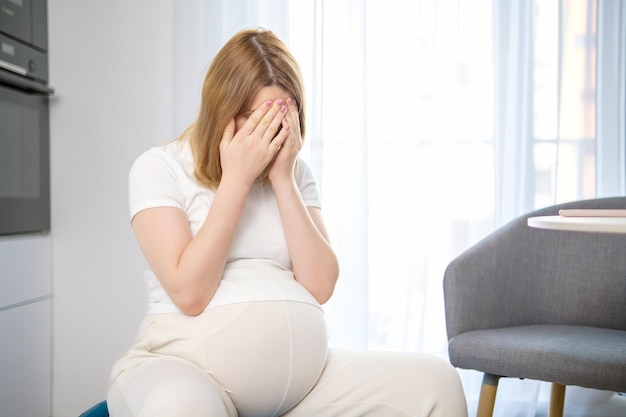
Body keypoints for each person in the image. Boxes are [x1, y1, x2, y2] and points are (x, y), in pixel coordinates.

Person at [107, 27, 468, 417]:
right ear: (221, 111)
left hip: (305, 387)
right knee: (183, 408)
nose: (270, 135)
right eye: (255, 119)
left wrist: (282, 178)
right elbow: (190, 294)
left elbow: (321, 283)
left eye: (281, 118)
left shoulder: (295, 174)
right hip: (184, 370)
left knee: (437, 383)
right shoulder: (160, 167)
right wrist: (237, 180)